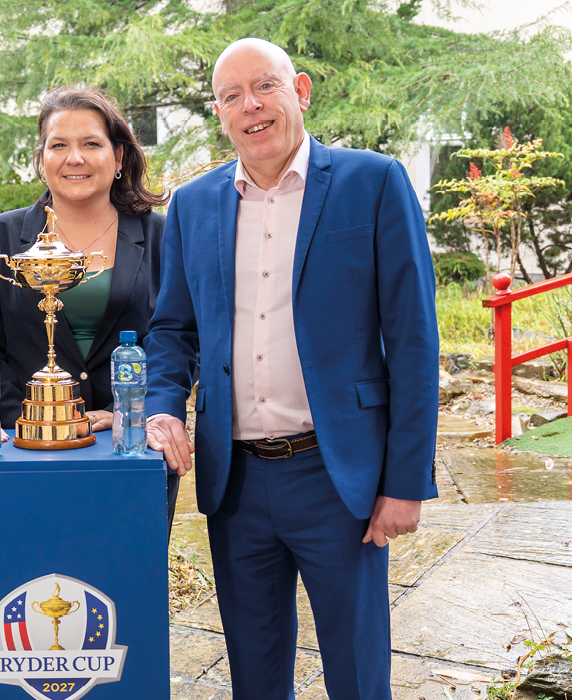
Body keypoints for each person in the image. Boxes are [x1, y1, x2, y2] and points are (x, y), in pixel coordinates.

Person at [144, 38, 438, 699]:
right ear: (218, 112)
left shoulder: (372, 182)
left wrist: (404, 481)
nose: (250, 106)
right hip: (235, 484)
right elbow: (172, 331)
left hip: (337, 479)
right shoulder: (191, 206)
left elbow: (414, 340)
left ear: (299, 90)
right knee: (254, 676)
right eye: (230, 96)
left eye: (265, 87)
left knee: (358, 676)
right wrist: (162, 406)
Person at [0, 86, 182, 527]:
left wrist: (129, 413)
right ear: (41, 158)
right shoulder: (4, 238)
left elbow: (174, 338)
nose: (74, 158)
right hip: (24, 451)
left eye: (91, 144)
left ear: (119, 157)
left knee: (124, 587)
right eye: (59, 145)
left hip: (130, 453)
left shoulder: (161, 234)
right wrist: (24, 424)